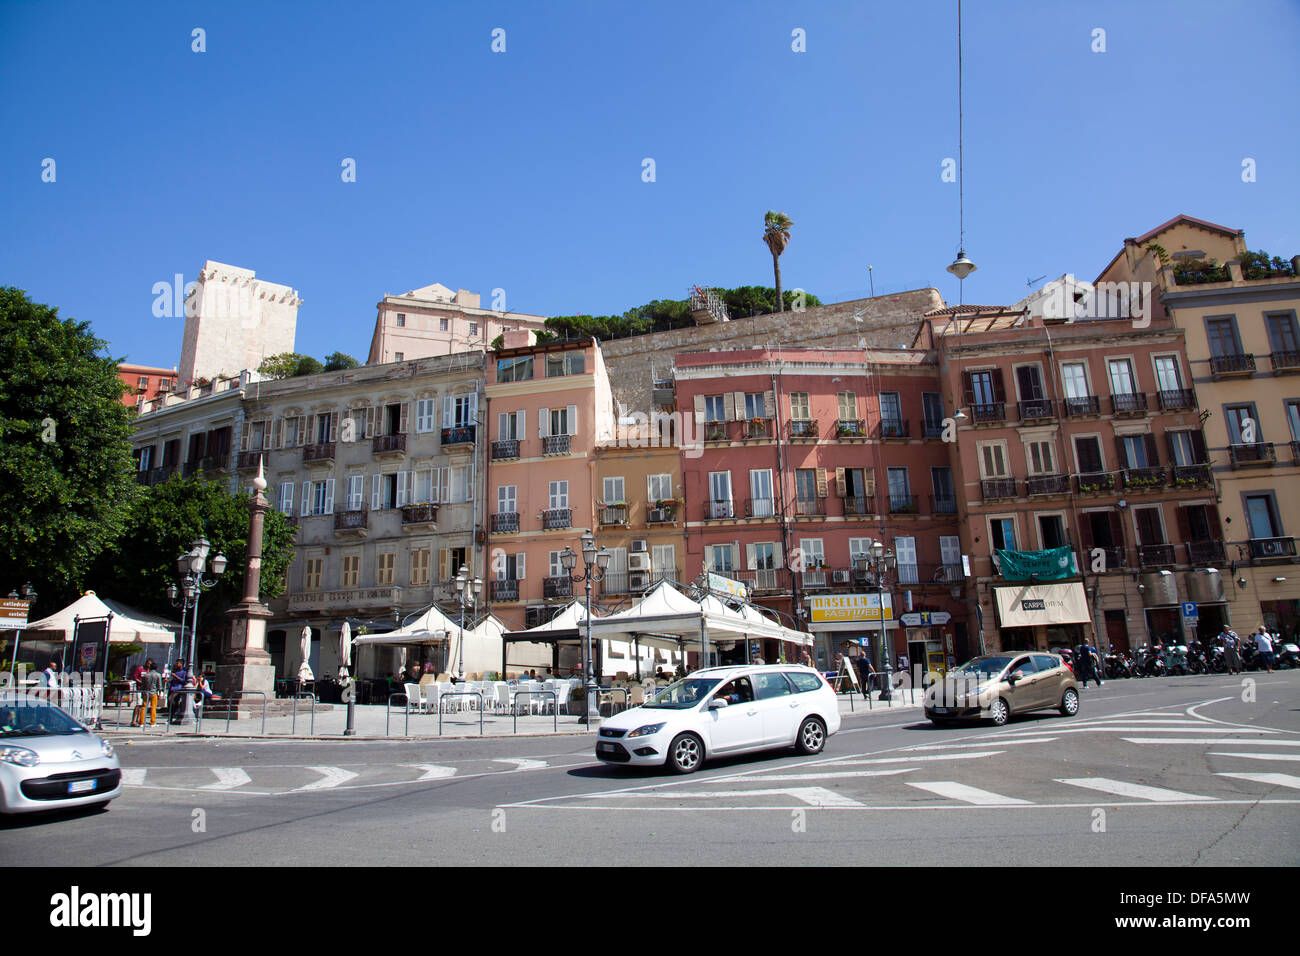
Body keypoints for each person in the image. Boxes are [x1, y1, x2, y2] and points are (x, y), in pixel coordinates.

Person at [168, 660, 189, 724]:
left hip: (178, 688)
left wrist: (176, 677)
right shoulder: (176, 671)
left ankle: (176, 711)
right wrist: (169, 681)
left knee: (172, 700)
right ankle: (170, 717)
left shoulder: (184, 672)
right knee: (169, 703)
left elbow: (183, 681)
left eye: (178, 663)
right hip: (172, 688)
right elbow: (174, 680)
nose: (177, 664)